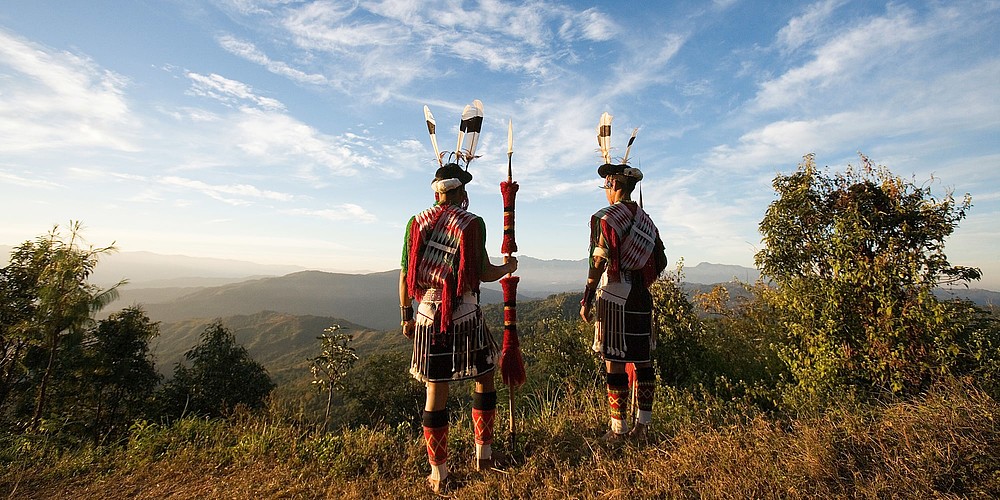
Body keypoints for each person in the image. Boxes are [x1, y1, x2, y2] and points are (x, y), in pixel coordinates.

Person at [400, 161, 517, 493]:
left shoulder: (416, 223)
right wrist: (508, 266)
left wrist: (405, 315)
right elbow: (481, 273)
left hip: (425, 313)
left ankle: (439, 474)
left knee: (436, 390)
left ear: (438, 192)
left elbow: (404, 272)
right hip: (464, 311)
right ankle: (484, 455)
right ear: (460, 192)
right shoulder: (471, 224)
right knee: (484, 377)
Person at [579, 157, 667, 441]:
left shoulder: (605, 218)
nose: (605, 188)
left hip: (615, 296)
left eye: (606, 183)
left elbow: (598, 261)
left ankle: (619, 429)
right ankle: (644, 426)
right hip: (642, 295)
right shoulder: (647, 222)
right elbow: (661, 260)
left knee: (614, 361)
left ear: (614, 184)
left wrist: (587, 297)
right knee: (643, 360)